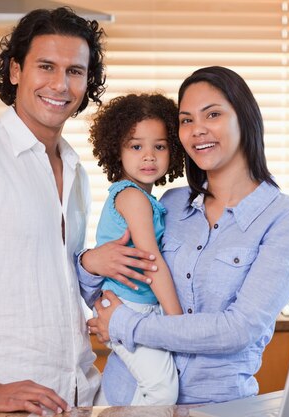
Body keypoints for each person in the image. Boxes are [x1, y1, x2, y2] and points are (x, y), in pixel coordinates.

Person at [78, 66, 289, 405]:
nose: (198, 130)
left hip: (217, 408)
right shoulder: (169, 204)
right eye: (186, 120)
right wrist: (91, 262)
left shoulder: (287, 219)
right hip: (123, 399)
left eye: (213, 114)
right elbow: (114, 291)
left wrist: (126, 326)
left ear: (244, 119)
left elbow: (238, 330)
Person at [0, 7, 106, 415]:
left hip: (76, 393)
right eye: (46, 66)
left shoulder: (77, 171)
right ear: (16, 70)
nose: (61, 84)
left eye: (75, 71)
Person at [88, 93, 186, 405]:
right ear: (117, 149)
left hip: (135, 306)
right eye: (136, 146)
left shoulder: (148, 200)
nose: (149, 156)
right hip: (127, 308)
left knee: (133, 389)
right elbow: (151, 260)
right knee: (162, 389)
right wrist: (176, 322)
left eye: (159, 146)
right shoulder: (132, 197)